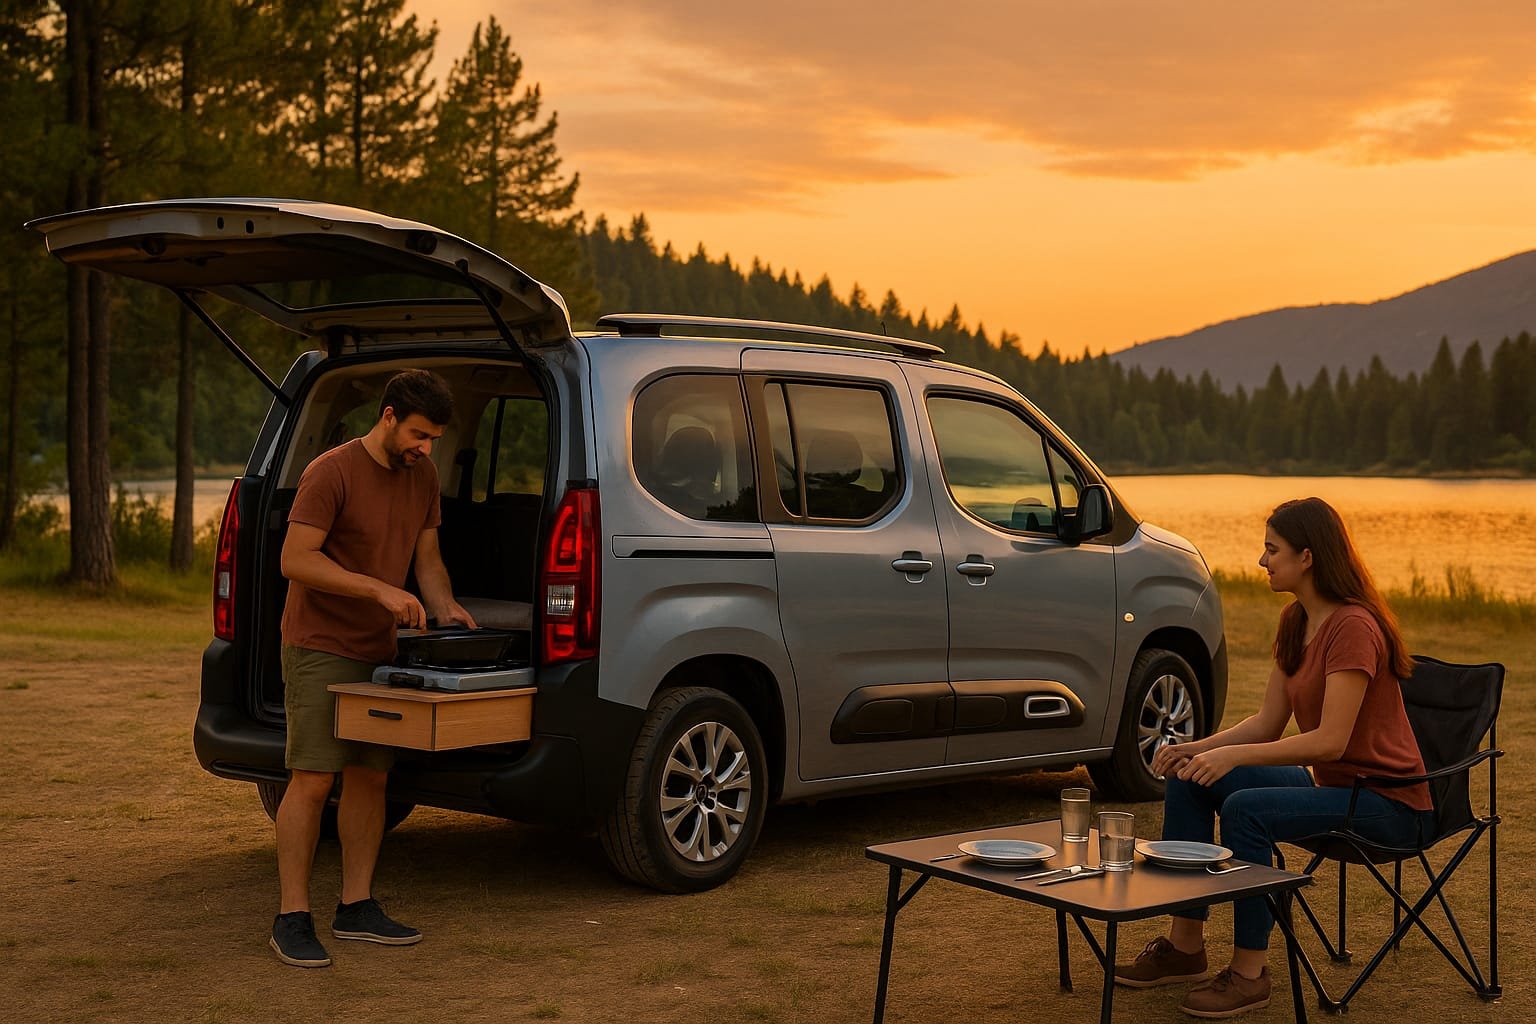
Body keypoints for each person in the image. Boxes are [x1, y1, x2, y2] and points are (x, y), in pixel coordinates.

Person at [1114, 497, 1435, 1018]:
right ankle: (1186, 947)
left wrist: (1235, 757)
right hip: (1334, 790)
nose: (1262, 561)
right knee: (1191, 779)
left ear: (1306, 557)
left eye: (1272, 550)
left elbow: (1330, 742)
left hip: (1387, 805)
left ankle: (1249, 974)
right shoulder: (1295, 621)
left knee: (1246, 808)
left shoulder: (1353, 627)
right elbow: (1267, 723)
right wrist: (1196, 750)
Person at [268, 369, 477, 968]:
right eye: (417, 433)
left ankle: (356, 907)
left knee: (371, 778)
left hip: (380, 652)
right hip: (319, 643)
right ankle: (292, 917)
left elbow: (428, 561)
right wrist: (379, 592)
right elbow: (295, 559)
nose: (425, 447)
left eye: (434, 437)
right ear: (387, 417)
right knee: (312, 779)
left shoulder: (424, 475)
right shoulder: (329, 472)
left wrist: (448, 613)